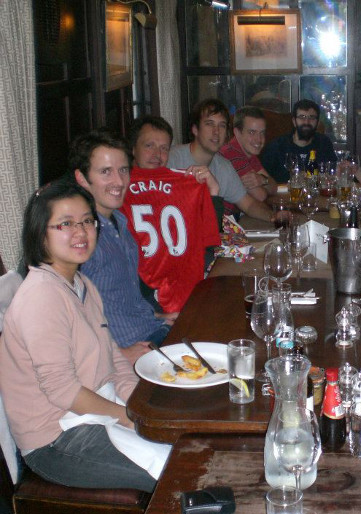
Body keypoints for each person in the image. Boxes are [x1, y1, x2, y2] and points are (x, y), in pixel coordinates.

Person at [0, 179, 160, 492]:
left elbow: (113, 357)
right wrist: (128, 416)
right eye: (65, 224)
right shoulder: (41, 296)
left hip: (94, 412)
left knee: (182, 443)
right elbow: (63, 391)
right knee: (174, 473)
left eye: (87, 221)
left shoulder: (82, 285)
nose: (81, 232)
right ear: (41, 234)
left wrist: (139, 406)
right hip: (57, 437)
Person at [73, 130, 173, 364]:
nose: (119, 181)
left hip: (152, 330)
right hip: (125, 353)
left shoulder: (119, 221)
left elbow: (122, 297)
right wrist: (118, 355)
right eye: (106, 172)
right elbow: (70, 318)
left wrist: (159, 316)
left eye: (123, 170)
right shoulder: (81, 238)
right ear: (82, 178)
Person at [167, 98, 273, 221]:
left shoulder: (224, 166)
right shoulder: (172, 160)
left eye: (221, 125)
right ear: (195, 129)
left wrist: (275, 217)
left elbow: (249, 205)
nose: (216, 131)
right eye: (209, 124)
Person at [260, 99, 337, 183]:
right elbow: (264, 180)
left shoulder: (324, 143)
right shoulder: (276, 147)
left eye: (311, 117)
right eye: (302, 117)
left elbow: (332, 173)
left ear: (317, 122)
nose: (306, 122)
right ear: (294, 121)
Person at [219, 106, 277, 201]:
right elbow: (260, 196)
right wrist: (265, 183)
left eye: (262, 133)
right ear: (237, 132)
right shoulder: (231, 154)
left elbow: (274, 187)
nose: (258, 140)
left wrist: (263, 180)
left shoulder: (249, 152)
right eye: (252, 132)